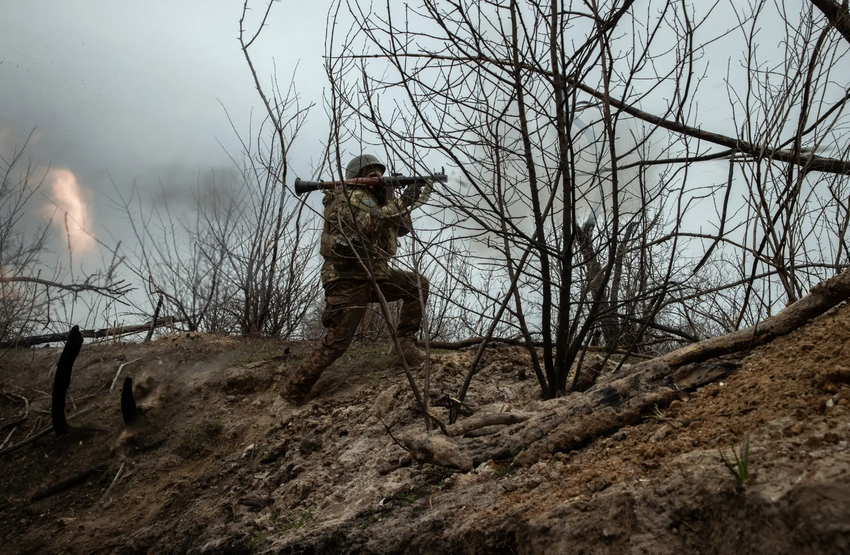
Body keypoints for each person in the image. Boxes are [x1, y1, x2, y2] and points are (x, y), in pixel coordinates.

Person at [281, 154, 432, 405]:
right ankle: (289, 396)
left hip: (374, 275)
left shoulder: (376, 199)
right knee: (336, 345)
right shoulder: (347, 198)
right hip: (346, 279)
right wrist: (402, 200)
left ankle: (403, 347)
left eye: (379, 173)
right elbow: (369, 224)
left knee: (417, 284)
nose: (378, 177)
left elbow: (401, 227)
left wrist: (395, 197)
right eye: (371, 173)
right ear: (357, 178)